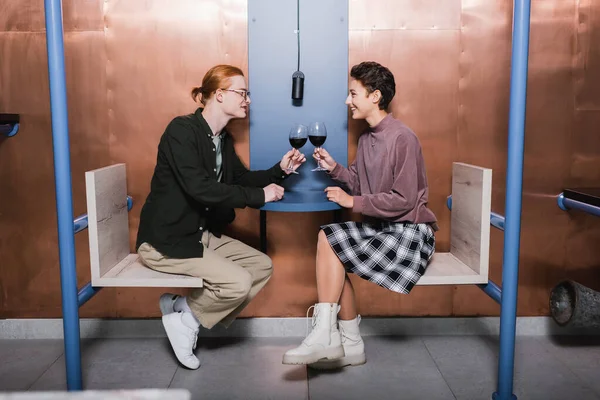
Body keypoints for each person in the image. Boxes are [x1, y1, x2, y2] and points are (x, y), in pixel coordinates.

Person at [136, 64, 306, 369]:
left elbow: (241, 179)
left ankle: (183, 311)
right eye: (241, 93)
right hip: (166, 241)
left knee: (261, 266)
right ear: (218, 95)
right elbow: (200, 189)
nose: (247, 100)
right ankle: (186, 322)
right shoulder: (181, 131)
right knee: (239, 283)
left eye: (247, 94)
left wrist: (280, 171)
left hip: (199, 235)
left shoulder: (222, 140)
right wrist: (259, 196)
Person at [282, 61, 438, 369]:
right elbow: (359, 182)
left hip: (411, 234)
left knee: (331, 240)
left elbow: (404, 200)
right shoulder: (368, 138)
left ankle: (329, 336)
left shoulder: (402, 138)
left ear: (375, 96)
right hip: (385, 230)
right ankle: (347, 342)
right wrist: (335, 169)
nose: (347, 101)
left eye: (353, 93)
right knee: (331, 241)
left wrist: (352, 201)